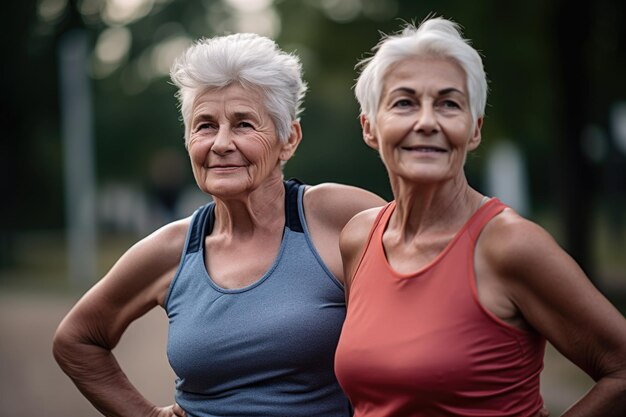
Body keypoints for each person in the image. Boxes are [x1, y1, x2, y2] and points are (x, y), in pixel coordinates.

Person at [52, 33, 384, 417]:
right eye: (205, 125)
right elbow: (76, 340)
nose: (221, 143)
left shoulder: (339, 216)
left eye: (243, 124)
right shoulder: (170, 250)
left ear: (288, 139)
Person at [334, 16, 626, 417]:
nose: (426, 122)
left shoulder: (509, 245)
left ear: (474, 130)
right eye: (404, 102)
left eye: (448, 104)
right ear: (370, 127)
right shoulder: (358, 238)